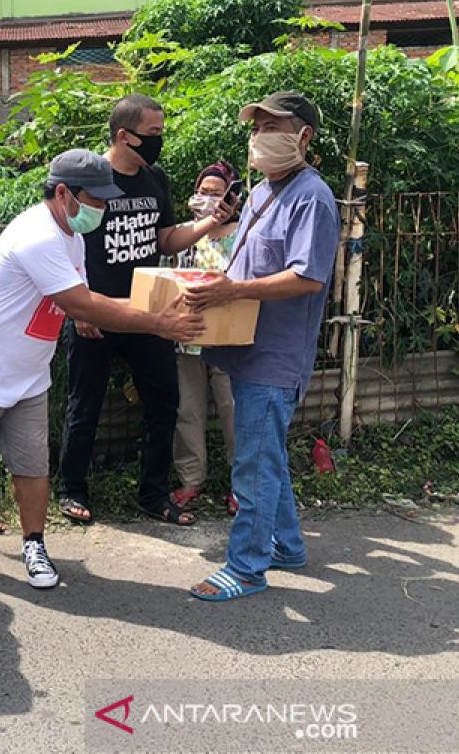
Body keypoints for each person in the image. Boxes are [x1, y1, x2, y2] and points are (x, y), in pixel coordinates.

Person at [0, 149, 205, 589]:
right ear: (63, 193)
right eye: (96, 199)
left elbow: (78, 293)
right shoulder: (38, 235)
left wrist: (83, 313)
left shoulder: (73, 235)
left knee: (32, 468)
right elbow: (81, 301)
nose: (102, 209)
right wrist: (158, 321)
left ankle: (34, 543)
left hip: (28, 375)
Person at [184, 91, 339, 602]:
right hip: (242, 346)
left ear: (304, 137)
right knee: (265, 455)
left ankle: (247, 567)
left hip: (274, 356)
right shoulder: (259, 193)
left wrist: (232, 290)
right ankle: (288, 545)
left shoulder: (312, 197)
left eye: (274, 126)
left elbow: (306, 277)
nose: (261, 136)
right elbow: (244, 263)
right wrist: (214, 284)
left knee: (252, 464)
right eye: (257, 127)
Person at [57, 94, 238, 527]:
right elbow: (62, 244)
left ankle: (154, 494)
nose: (160, 140)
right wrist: (79, 307)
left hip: (149, 311)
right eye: (153, 133)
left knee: (164, 402)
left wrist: (210, 223)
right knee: (85, 404)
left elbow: (165, 240)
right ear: (125, 135)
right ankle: (71, 489)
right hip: (96, 309)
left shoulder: (153, 178)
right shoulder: (89, 179)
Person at [170, 160, 241, 517]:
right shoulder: (187, 232)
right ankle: (191, 479)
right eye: (203, 192)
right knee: (189, 408)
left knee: (232, 408)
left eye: (216, 193)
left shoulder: (243, 234)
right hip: (188, 333)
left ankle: (241, 485)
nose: (208, 198)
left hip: (229, 336)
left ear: (232, 196)